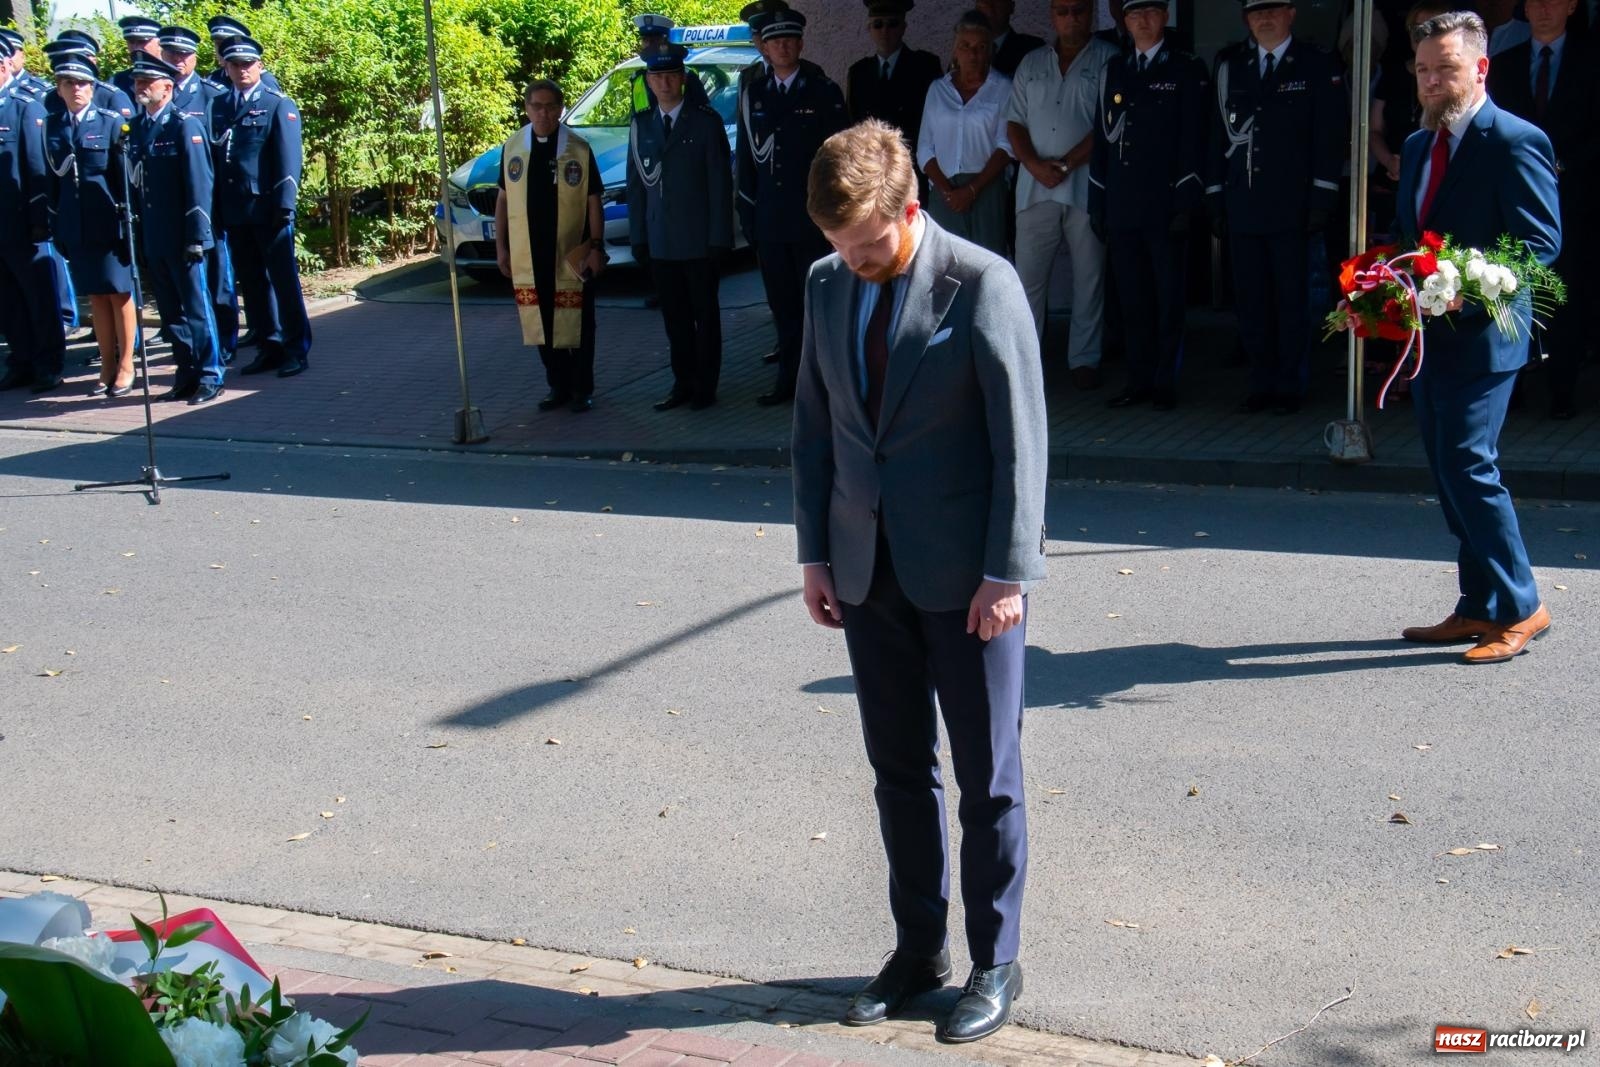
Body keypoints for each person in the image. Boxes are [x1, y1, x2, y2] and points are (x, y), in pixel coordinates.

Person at [792, 118, 1046, 1046]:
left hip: (970, 581)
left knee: (988, 779)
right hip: (866, 572)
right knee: (899, 770)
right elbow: (816, 431)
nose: (853, 261)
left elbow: (1024, 441)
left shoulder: (983, 284)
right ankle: (917, 950)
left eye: (867, 244)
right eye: (838, 246)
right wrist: (815, 554)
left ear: (911, 208)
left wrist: (1006, 572)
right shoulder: (826, 285)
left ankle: (995, 960)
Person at [1392, 11, 1559, 662]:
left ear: (1481, 68)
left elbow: (1542, 244)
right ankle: (1477, 604)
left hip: (1487, 335)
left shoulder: (1515, 141)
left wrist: (1475, 282)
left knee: (1470, 464)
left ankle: (1523, 607)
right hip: (1432, 335)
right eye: (1424, 70)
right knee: (1446, 466)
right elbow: (1417, 237)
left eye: (1447, 68)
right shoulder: (1415, 145)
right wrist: (1383, 286)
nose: (1432, 81)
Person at [1206, 0, 1344, 416]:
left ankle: (1290, 384)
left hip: (1293, 205)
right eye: (1255, 12)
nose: (1264, 18)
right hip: (1243, 202)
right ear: (1246, 19)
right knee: (1251, 301)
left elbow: (1329, 134)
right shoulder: (1231, 65)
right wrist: (1214, 196)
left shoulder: (1316, 64)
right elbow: (1216, 135)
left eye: (1273, 9)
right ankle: (1260, 381)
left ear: (1290, 13)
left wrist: (1322, 196)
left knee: (1291, 299)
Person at [1089, 0, 1207, 411]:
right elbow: (1102, 142)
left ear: (1165, 17)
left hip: (1165, 204)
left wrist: (1186, 203)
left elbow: (1194, 140)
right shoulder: (1115, 71)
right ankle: (1138, 380)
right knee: (1132, 300)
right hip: (1123, 206)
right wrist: (1096, 202)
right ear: (1124, 21)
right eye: (1135, 14)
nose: (1142, 21)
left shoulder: (1185, 69)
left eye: (1151, 12)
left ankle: (1164, 381)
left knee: (1167, 299)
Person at [1487, 0, 1600, 419]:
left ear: (1572, 6)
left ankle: (1562, 394)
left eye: (1554, 0)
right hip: (1513, 202)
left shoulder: (1591, 60)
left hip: (1575, 199)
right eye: (1534, 2)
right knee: (1507, 290)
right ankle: (1510, 392)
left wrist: (1564, 164)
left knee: (1566, 295)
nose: (1544, 9)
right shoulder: (1502, 63)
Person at [735, 7, 848, 405]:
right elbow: (746, 162)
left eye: (789, 40)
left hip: (812, 221)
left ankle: (826, 384)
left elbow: (839, 161)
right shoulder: (754, 95)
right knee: (782, 305)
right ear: (765, 48)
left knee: (818, 303)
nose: (782, 46)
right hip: (771, 220)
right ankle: (790, 381)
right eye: (774, 41)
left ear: (801, 44)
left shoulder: (823, 90)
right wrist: (749, 215)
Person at [1005, 0, 1117, 389]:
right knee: (1029, 280)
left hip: (1086, 185)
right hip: (1034, 187)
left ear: (1091, 14)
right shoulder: (1031, 63)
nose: (1072, 17)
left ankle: (1084, 360)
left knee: (1090, 277)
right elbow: (1014, 122)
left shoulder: (1109, 60)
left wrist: (1068, 163)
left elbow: (1109, 125)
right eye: (1063, 10)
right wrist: (1035, 165)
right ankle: (1027, 361)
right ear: (1053, 15)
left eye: (1080, 10)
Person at [627, 42, 733, 411]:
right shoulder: (641, 125)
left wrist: (720, 236)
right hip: (661, 241)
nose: (665, 83)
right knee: (675, 320)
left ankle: (706, 387)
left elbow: (720, 184)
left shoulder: (705, 122)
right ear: (649, 82)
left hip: (700, 240)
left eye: (671, 76)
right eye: (658, 77)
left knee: (705, 316)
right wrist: (638, 236)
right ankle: (682, 383)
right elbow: (636, 186)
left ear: (683, 79)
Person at [493, 79, 606, 413]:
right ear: (526, 109)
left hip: (571, 252)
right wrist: (501, 247)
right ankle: (558, 384)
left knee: (579, 322)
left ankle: (582, 387)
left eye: (550, 106)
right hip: (529, 254)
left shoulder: (578, 148)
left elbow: (593, 201)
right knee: (540, 321)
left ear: (560, 108)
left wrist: (597, 246)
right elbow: (502, 199)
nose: (543, 113)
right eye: (536, 106)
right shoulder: (513, 147)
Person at [214, 35, 312, 379]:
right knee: (253, 285)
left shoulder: (276, 103)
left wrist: (285, 205)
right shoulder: (220, 106)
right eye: (234, 64)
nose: (241, 70)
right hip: (236, 211)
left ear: (260, 66)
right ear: (225, 68)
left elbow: (289, 160)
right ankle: (268, 345)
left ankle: (295, 348)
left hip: (269, 209)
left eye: (247, 64)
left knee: (284, 283)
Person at [130, 53, 223, 403]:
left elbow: (200, 184)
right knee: (172, 315)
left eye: (147, 82)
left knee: (197, 309)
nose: (140, 87)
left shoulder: (184, 125)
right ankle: (186, 372)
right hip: (156, 237)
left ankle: (211, 374)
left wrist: (198, 235)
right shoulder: (138, 128)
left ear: (167, 87)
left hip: (185, 237)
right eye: (138, 82)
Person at [44, 49, 134, 397]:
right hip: (75, 223)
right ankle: (107, 366)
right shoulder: (54, 126)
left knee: (119, 294)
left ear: (93, 87)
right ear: (59, 88)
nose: (76, 89)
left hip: (108, 222)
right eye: (69, 83)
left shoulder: (110, 122)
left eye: (82, 83)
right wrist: (57, 223)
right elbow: (52, 181)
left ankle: (126, 363)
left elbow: (122, 180)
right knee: (95, 295)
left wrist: (126, 223)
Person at [161, 24, 238, 364]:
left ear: (195, 57)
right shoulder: (160, 95)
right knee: (182, 289)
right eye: (171, 54)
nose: (178, 60)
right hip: (173, 209)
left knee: (218, 280)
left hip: (211, 206)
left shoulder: (211, 95)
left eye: (184, 55)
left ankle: (225, 344)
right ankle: (195, 349)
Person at [0, 36, 68, 394]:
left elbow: (36, 168)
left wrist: (39, 220)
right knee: (8, 302)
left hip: (22, 224)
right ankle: (22, 360)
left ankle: (49, 364)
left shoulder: (25, 106)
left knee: (38, 299)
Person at [917, 10, 1012, 254]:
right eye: (965, 46)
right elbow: (925, 149)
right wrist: (948, 193)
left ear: (990, 51)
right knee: (945, 266)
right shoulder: (938, 90)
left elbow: (1006, 146)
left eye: (980, 47)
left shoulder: (1003, 88)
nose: (973, 54)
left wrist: (971, 190)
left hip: (986, 190)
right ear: (955, 51)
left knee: (987, 264)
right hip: (943, 189)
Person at [846, 0, 943, 167]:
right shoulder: (858, 72)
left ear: (903, 27)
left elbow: (938, 123)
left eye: (892, 24)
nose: (885, 31)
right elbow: (853, 123)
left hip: (913, 164)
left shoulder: (925, 66)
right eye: (878, 24)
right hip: (871, 166)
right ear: (869, 29)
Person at [629, 14, 711, 114]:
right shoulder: (638, 79)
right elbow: (636, 118)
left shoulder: (687, 76)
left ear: (666, 41)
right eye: (645, 39)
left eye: (654, 39)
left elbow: (702, 117)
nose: (649, 44)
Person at [205, 17, 282, 93]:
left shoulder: (264, 80)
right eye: (218, 44)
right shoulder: (214, 78)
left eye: (228, 46)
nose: (221, 51)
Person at [976, 0, 1046, 76]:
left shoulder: (1033, 49)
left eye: (997, 2)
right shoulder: (963, 48)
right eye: (984, 2)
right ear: (977, 7)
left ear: (1011, 7)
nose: (989, 8)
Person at [113, 16, 163, 98]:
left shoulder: (175, 79)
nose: (136, 47)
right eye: (131, 42)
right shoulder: (117, 81)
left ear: (159, 43)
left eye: (142, 41)